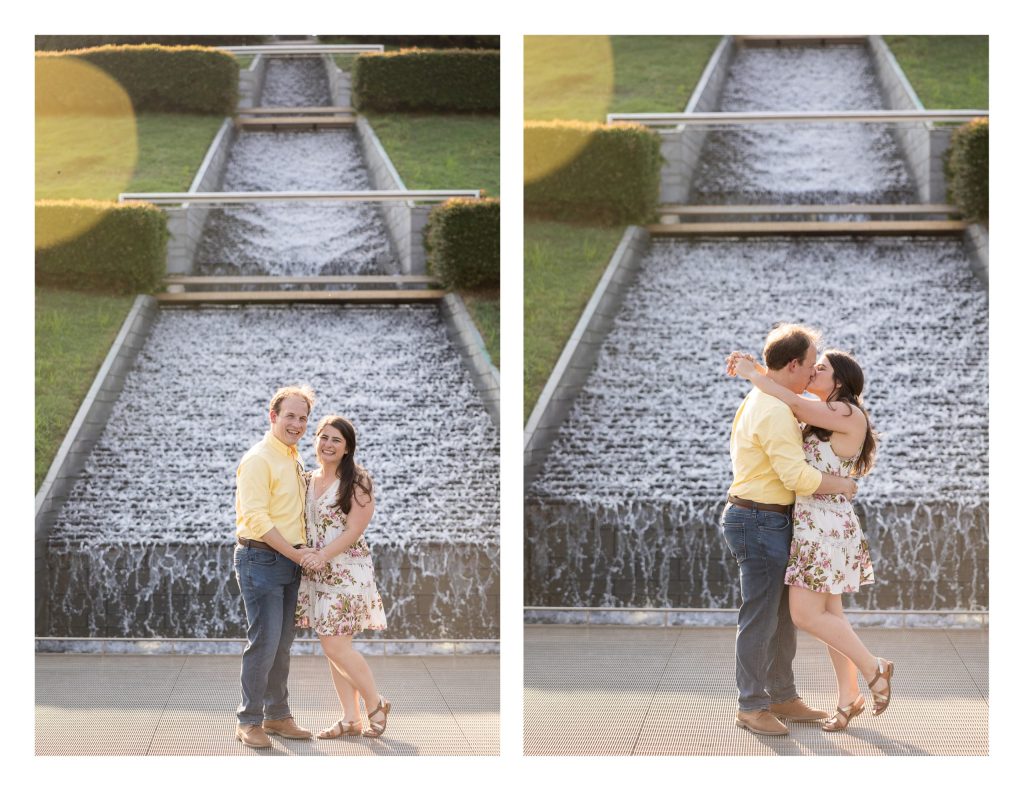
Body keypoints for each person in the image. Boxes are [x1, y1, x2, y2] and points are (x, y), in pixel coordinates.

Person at [729, 346, 894, 733]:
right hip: (815, 522)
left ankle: (875, 668)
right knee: (830, 616)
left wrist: (755, 375)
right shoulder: (825, 410)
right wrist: (760, 375)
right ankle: (848, 698)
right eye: (812, 366)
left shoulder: (845, 411)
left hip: (825, 526)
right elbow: (793, 399)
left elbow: (795, 404)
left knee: (806, 615)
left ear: (839, 380)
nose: (813, 373)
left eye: (821, 369)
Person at [233, 385, 322, 749]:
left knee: (282, 644)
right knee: (265, 642)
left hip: (288, 560)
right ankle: (248, 720)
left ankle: (277, 716)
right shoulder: (259, 459)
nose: (297, 423)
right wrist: (296, 553)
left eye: (303, 418)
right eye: (290, 416)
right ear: (273, 416)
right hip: (261, 559)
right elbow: (254, 517)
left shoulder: (292, 457)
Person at [296, 415, 390, 739]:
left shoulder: (357, 481)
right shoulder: (307, 480)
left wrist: (321, 555)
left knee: (337, 647)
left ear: (347, 447)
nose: (328, 444)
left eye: (336, 439)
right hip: (317, 574)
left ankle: (375, 704)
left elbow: (355, 530)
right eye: (323, 437)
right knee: (332, 646)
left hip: (347, 572)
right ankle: (350, 718)